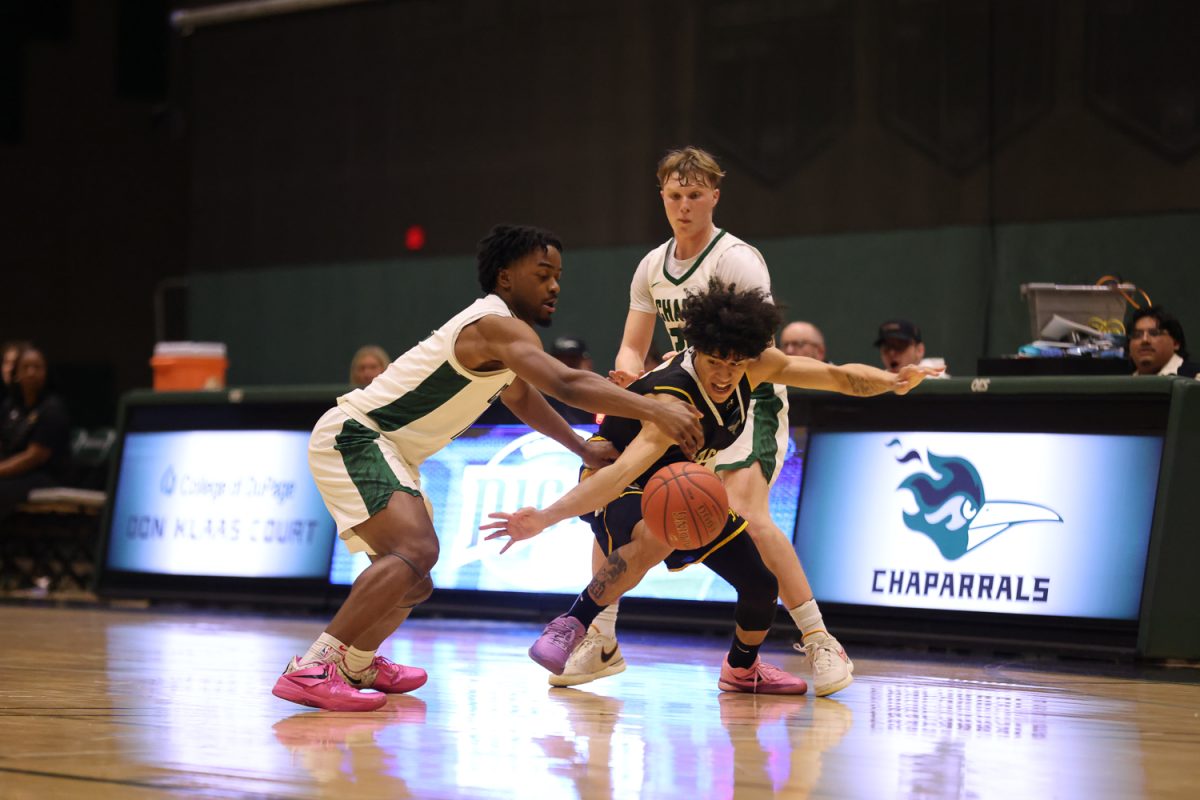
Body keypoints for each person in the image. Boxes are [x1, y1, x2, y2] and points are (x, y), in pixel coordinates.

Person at [271, 224, 703, 712]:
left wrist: (579, 450)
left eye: (559, 275)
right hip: (358, 435)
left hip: (390, 449)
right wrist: (654, 408)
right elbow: (565, 381)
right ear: (505, 277)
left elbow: (519, 393)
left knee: (414, 579)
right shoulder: (496, 324)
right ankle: (314, 667)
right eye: (542, 274)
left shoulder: (502, 340)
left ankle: (356, 662)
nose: (555, 286)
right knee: (415, 548)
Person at [484, 279, 941, 694]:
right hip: (619, 476)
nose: (724, 375)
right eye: (714, 362)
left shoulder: (753, 366)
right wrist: (544, 518)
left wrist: (893, 381)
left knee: (761, 583)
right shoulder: (673, 400)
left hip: (681, 481)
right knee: (657, 536)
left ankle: (741, 670)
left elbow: (836, 377)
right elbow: (619, 477)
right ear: (695, 349)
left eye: (735, 364)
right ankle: (572, 623)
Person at [594, 145, 857, 697]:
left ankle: (820, 640)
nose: (684, 206)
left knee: (748, 514)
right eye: (674, 196)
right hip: (685, 403)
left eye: (694, 195)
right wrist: (626, 383)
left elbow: (755, 345)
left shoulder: (737, 258)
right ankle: (600, 637)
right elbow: (630, 348)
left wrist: (677, 364)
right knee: (611, 498)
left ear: (715, 195)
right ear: (661, 197)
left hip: (746, 397)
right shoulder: (651, 266)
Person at [0, 347, 72, 521]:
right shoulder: (10, 407)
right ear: (16, 374)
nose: (31, 372)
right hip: (13, 476)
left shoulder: (52, 409)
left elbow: (34, 457)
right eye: (26, 367)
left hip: (45, 476)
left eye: (37, 367)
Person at [1128, 307, 1200, 378]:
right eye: (1136, 335)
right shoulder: (1122, 385)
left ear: (1175, 343)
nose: (1144, 340)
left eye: (1154, 333)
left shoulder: (1196, 378)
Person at [875, 320, 949, 377]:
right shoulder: (876, 383)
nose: (892, 353)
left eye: (900, 346)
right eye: (886, 347)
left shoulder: (938, 379)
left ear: (919, 350)